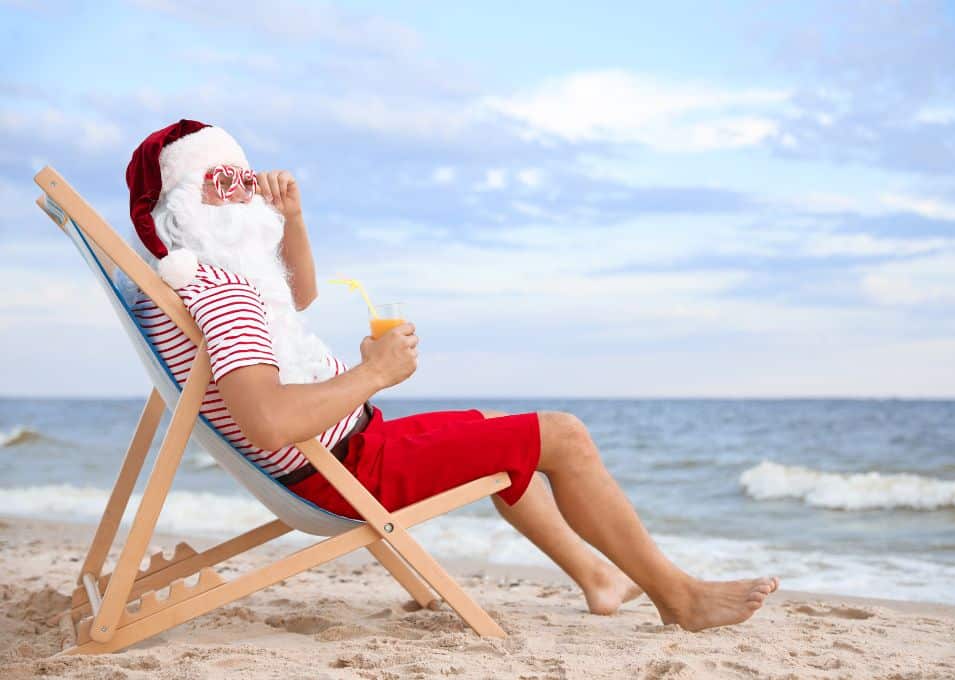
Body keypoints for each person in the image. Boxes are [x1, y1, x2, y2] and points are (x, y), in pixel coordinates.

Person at [123, 119, 778, 631]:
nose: (245, 195)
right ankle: (680, 597)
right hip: (344, 471)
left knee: (501, 428)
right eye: (224, 183)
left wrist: (291, 219)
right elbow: (265, 418)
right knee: (564, 435)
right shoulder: (227, 297)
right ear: (184, 204)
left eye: (246, 178)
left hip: (337, 455)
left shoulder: (204, 281)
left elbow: (298, 299)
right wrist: (373, 374)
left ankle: (599, 578)